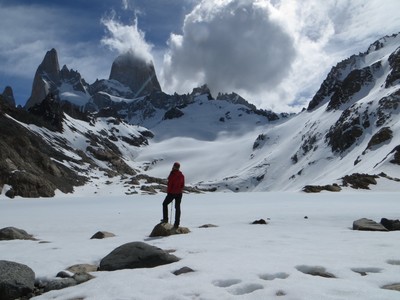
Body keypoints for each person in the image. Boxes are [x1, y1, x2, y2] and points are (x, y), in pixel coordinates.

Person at [161, 162, 185, 228]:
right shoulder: (181, 175)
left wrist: (168, 192)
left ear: (174, 167)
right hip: (179, 193)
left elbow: (170, 184)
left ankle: (165, 219)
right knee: (177, 207)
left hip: (172, 193)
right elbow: (182, 185)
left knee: (165, 204)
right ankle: (177, 223)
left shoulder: (172, 174)